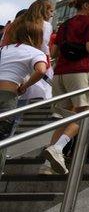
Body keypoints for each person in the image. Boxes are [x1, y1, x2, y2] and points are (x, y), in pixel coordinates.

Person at [43, 0, 89, 174]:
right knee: (83, 112)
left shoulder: (66, 24)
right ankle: (58, 148)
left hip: (60, 72)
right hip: (79, 70)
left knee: (63, 117)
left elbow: (54, 52)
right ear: (85, 5)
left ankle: (46, 166)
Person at [0, 13, 49, 174]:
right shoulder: (36, 53)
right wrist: (25, 86)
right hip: (9, 96)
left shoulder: (4, 48)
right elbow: (41, 70)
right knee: (2, 140)